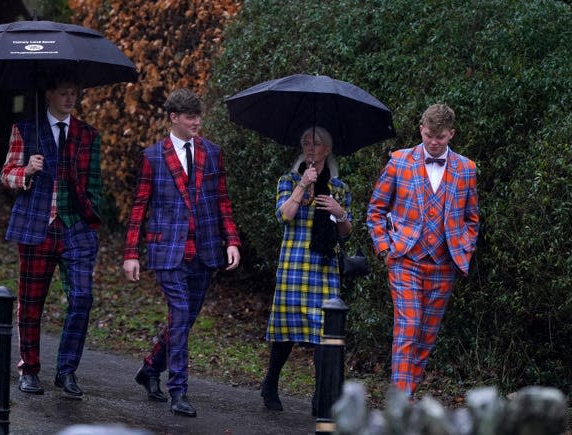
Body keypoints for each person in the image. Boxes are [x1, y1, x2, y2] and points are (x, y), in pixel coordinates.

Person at [122, 88, 241, 417]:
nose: (196, 122)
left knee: (183, 321)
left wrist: (232, 241)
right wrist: (131, 253)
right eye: (190, 117)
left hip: (203, 251)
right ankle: (179, 390)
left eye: (198, 116)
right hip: (168, 251)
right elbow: (139, 208)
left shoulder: (212, 153)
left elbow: (222, 203)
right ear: (173, 118)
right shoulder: (152, 157)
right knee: (179, 314)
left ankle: (149, 369)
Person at [0, 71, 102, 399]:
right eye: (63, 93)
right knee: (31, 302)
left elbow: (95, 183)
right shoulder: (25, 130)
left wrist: (92, 221)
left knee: (82, 298)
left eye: (73, 92)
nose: (70, 98)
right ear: (48, 95)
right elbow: (7, 175)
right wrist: (27, 170)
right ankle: (29, 370)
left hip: (76, 228)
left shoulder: (88, 135)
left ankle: (67, 371)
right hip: (35, 226)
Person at [366, 103, 479, 397]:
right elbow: (376, 209)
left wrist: (464, 247)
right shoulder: (399, 161)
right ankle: (401, 404)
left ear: (451, 134)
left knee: (426, 336)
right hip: (405, 259)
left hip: (444, 262)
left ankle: (406, 396)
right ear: (421, 130)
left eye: (440, 137)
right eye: (429, 135)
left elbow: (472, 217)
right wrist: (384, 248)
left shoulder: (466, 169)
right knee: (409, 325)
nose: (433, 142)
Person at [262, 126, 352, 413]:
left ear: (327, 149)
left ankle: (320, 395)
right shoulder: (288, 181)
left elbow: (346, 233)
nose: (310, 148)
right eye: (306, 143)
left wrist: (341, 214)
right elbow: (283, 216)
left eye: (316, 143)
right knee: (285, 333)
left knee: (324, 335)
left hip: (324, 268)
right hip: (294, 266)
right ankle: (270, 383)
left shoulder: (339, 188)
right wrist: (302, 185)